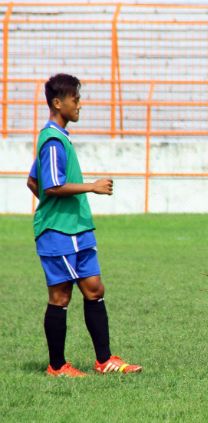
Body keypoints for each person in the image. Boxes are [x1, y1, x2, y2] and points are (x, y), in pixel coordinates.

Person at [27, 73, 142, 377]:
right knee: (61, 297)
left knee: (94, 289)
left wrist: (59, 202)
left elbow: (33, 181)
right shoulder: (52, 140)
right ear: (57, 102)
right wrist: (91, 187)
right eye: (75, 99)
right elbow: (50, 186)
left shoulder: (59, 138)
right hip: (60, 233)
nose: (79, 104)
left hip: (78, 230)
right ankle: (56, 366)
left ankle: (104, 361)